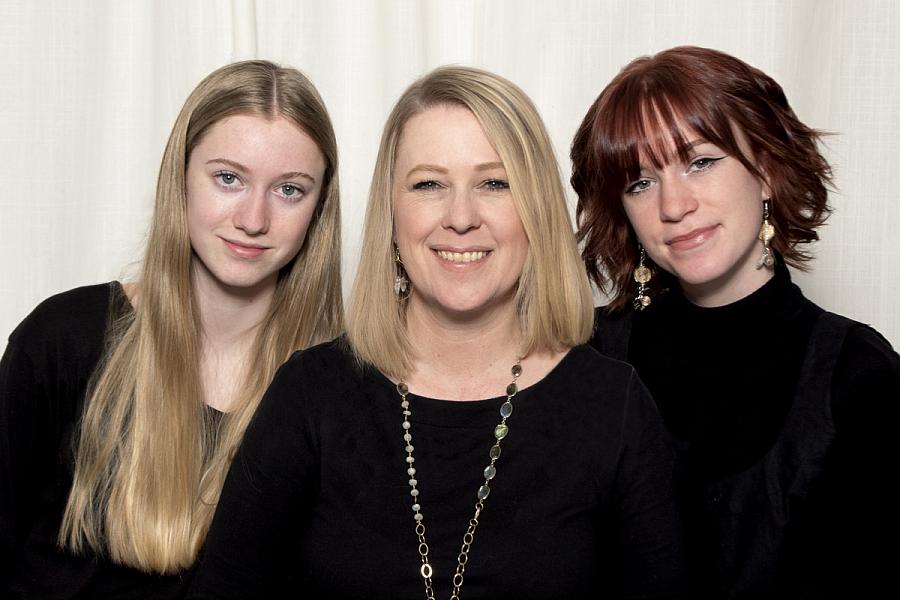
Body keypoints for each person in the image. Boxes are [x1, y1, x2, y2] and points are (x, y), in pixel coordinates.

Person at [188, 65, 685, 599]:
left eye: (495, 183)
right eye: (429, 184)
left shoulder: (613, 405)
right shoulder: (312, 394)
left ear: (536, 209)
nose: (461, 217)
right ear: (391, 213)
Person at [0, 59, 342, 598]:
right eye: (228, 178)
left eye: (290, 190)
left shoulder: (339, 390)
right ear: (179, 179)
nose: (254, 219)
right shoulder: (63, 341)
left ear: (319, 208)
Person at [571, 45, 900, 598]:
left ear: (767, 170)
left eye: (700, 161)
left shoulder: (858, 377)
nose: (674, 205)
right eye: (640, 182)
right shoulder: (583, 353)